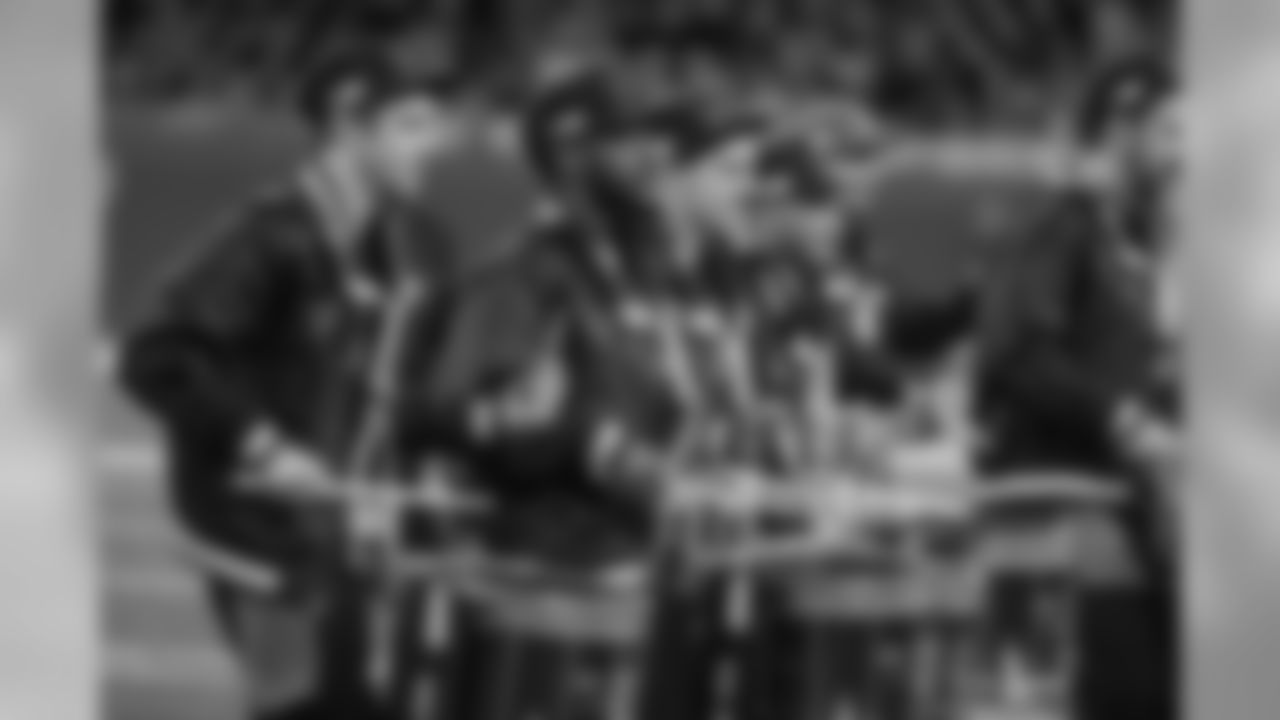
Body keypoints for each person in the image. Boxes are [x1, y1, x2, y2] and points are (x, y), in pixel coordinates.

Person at [117, 53, 464, 720]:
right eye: (411, 125)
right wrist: (263, 447)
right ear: (350, 127)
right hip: (265, 537)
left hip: (333, 536)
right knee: (303, 709)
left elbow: (387, 394)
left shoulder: (391, 247)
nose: (433, 146)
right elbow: (156, 356)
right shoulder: (275, 236)